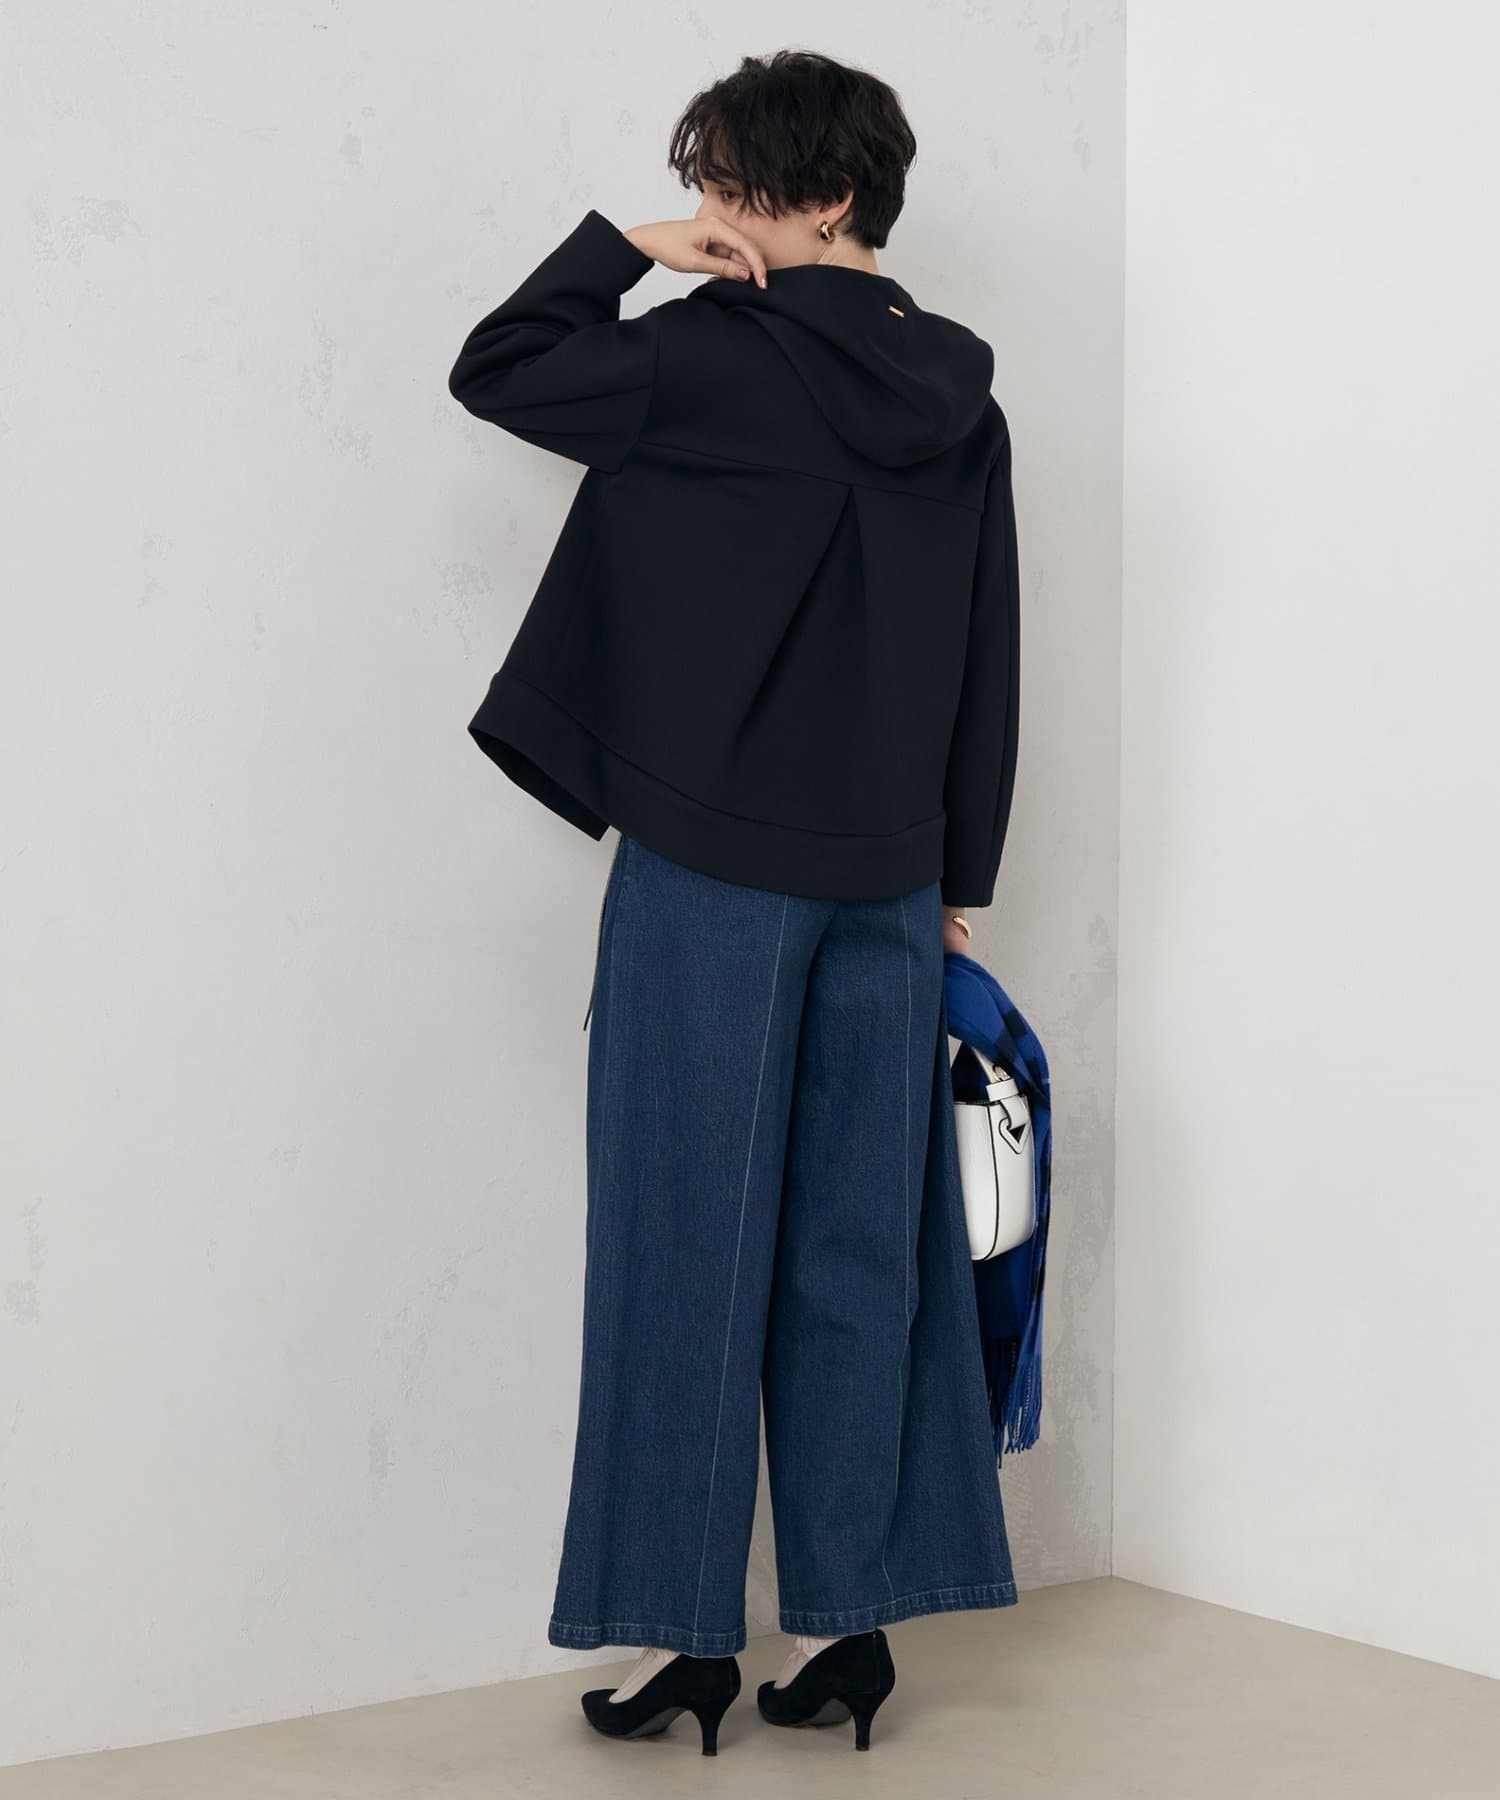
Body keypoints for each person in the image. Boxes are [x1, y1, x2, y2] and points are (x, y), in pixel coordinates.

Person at [447, 47, 1022, 1756]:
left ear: (819, 199)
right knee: (866, 1253)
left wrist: (627, 249)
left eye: (724, 187)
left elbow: (497, 367)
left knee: (680, 1243)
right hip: (892, 880)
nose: (705, 213)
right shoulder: (963, 396)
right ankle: (847, 1634)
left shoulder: (707, 355)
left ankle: (683, 1641)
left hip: (713, 869)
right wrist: (962, 881)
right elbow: (990, 646)